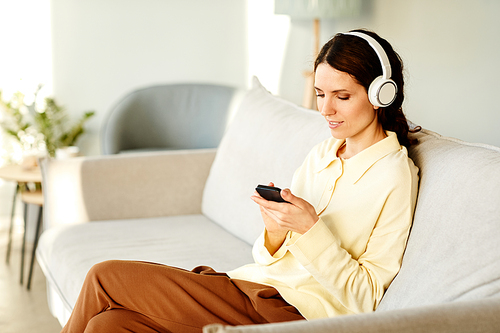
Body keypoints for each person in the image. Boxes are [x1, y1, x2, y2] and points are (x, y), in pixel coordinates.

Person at [60, 29, 419, 333]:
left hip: (290, 314)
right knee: (109, 326)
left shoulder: (394, 177)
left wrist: (311, 230)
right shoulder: (324, 153)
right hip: (250, 288)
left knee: (103, 276)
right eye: (321, 95)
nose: (325, 110)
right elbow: (265, 258)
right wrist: (276, 232)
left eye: (342, 97)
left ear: (380, 95)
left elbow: (367, 299)